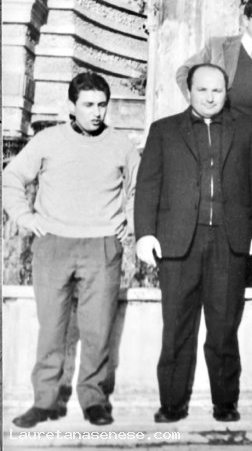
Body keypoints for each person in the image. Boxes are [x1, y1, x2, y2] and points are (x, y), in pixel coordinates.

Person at [4, 72, 139, 428]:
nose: (96, 112)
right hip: (54, 244)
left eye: (102, 105)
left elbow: (140, 188)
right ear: (71, 106)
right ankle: (44, 401)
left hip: (102, 246)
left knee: (98, 330)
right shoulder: (48, 140)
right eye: (88, 105)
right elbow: (11, 177)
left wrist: (129, 220)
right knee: (51, 328)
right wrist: (24, 216)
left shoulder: (121, 144)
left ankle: (94, 400)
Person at [135, 64, 252, 423]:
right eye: (203, 90)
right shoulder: (164, 131)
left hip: (229, 242)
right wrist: (145, 233)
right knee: (177, 328)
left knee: (223, 329)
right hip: (179, 243)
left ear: (226, 93)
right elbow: (148, 185)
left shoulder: (246, 130)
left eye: (217, 90)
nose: (210, 97)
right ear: (189, 91)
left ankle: (225, 402)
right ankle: (172, 403)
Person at [176, 0, 252, 178]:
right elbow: (184, 72)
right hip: (223, 138)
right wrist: (199, 104)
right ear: (246, 20)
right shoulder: (218, 46)